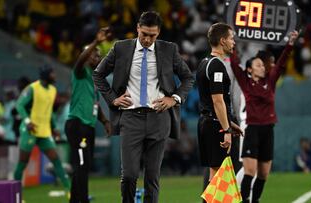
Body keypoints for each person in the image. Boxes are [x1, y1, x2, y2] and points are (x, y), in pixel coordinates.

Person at [93, 11, 194, 203]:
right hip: (131, 119)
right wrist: (113, 99)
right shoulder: (121, 48)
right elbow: (98, 74)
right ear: (137, 28)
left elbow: (188, 77)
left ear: (159, 33)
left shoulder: (169, 49)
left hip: (159, 118)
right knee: (129, 175)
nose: (147, 39)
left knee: (152, 177)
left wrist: (174, 99)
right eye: (144, 34)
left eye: (152, 35)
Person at [230, 31, 299, 203]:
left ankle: (255, 200)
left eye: (263, 65)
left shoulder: (271, 80)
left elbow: (282, 62)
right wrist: (232, 45)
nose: (263, 67)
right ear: (250, 69)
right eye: (259, 65)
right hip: (252, 130)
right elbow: (234, 63)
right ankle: (245, 200)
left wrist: (290, 43)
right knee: (249, 172)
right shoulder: (245, 83)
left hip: (268, 129)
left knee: (263, 174)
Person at [65, 28, 112, 203]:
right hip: (78, 125)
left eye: (98, 55)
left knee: (83, 166)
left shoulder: (94, 79)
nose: (96, 57)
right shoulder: (79, 72)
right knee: (82, 165)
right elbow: (80, 60)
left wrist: (105, 120)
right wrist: (96, 43)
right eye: (93, 55)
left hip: (88, 127)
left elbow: (95, 104)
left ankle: (74, 200)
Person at [196, 23, 243, 196]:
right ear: (222, 41)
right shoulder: (217, 66)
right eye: (231, 39)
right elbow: (217, 101)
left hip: (208, 122)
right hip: (215, 126)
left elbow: (210, 102)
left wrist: (229, 122)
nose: (233, 43)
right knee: (219, 178)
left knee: (214, 177)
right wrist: (227, 129)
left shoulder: (204, 63)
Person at [13, 66, 71, 193]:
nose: (55, 76)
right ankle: (15, 194)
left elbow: (49, 111)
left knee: (56, 160)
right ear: (45, 75)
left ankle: (70, 192)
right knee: (23, 162)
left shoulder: (53, 90)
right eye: (52, 74)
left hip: (44, 131)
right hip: (30, 130)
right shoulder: (32, 88)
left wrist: (54, 127)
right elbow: (19, 105)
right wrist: (27, 121)